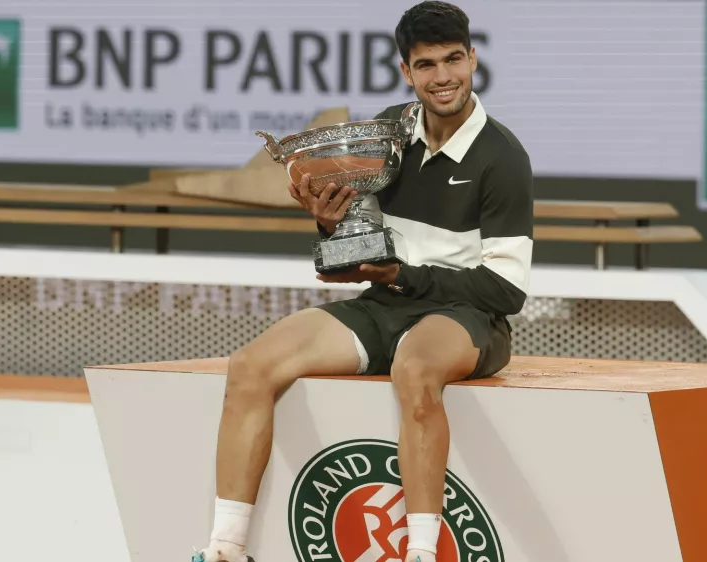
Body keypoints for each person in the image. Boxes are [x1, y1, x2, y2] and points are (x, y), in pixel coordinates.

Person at [195, 2, 533, 561]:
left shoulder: (503, 156)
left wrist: (402, 275)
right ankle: (224, 548)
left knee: (416, 367)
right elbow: (354, 255)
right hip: (385, 303)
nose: (443, 77)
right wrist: (332, 224)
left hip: (467, 318)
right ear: (407, 71)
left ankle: (421, 553)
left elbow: (507, 292)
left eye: (454, 60)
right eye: (426, 65)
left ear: (473, 59)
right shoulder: (388, 132)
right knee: (250, 366)